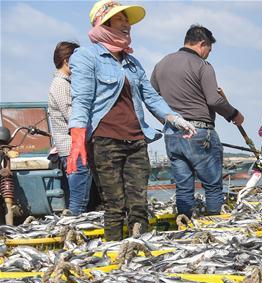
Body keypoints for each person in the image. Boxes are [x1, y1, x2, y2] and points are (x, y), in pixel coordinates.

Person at [68, 1, 196, 241]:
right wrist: (77, 138)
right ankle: (115, 253)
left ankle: (139, 253)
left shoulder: (132, 63)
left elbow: (151, 96)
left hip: (137, 140)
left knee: (138, 204)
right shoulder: (86, 56)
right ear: (104, 24)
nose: (127, 25)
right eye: (121, 19)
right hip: (105, 142)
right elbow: (81, 100)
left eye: (127, 20)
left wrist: (175, 119)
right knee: (114, 205)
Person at [150, 24, 244, 217]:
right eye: (209, 49)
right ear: (203, 44)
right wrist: (234, 114)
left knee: (183, 187)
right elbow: (214, 99)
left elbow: (152, 99)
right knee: (212, 186)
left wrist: (167, 121)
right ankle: (214, 224)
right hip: (200, 133)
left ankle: (184, 223)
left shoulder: (161, 64)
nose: (209, 54)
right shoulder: (202, 65)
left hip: (173, 135)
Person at [48, 41, 96, 214]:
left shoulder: (65, 83)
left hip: (73, 150)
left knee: (84, 201)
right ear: (68, 61)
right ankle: (71, 233)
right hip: (73, 150)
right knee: (79, 202)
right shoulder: (61, 85)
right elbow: (74, 118)